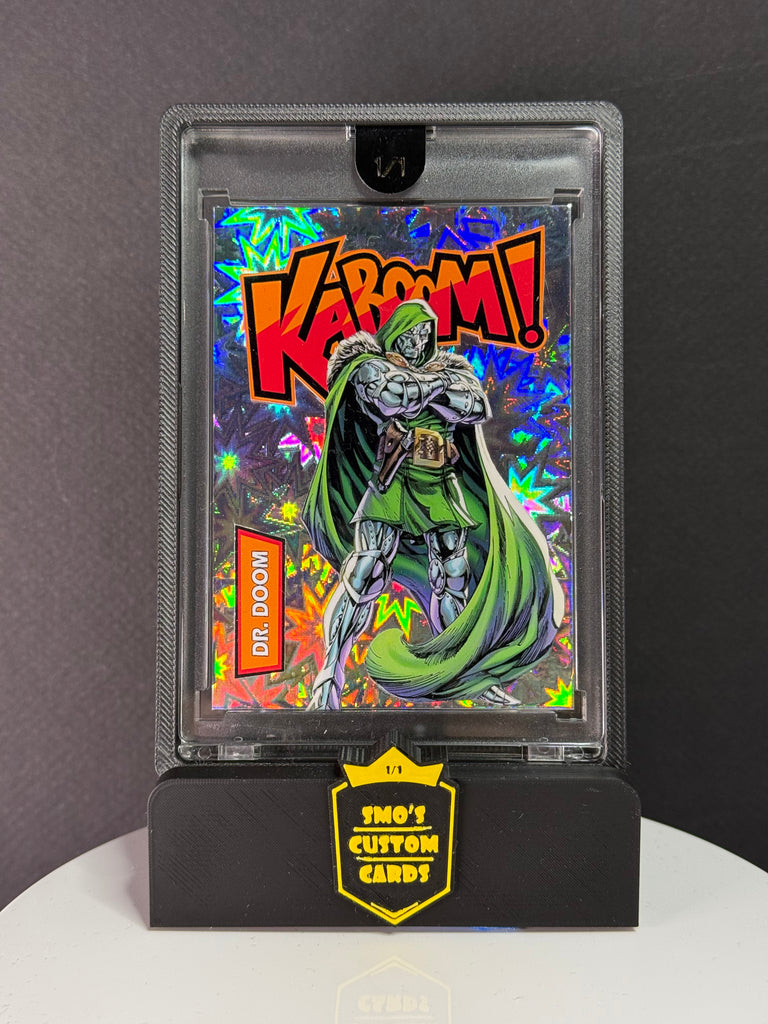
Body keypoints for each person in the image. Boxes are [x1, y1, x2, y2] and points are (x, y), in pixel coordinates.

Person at [303, 299, 563, 710]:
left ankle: (461, 675)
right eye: (411, 333)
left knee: (453, 576)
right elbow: (392, 398)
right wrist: (438, 389)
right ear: (395, 332)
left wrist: (424, 387)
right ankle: (329, 673)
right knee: (365, 571)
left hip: (439, 481)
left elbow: (474, 407)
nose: (418, 341)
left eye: (425, 334)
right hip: (394, 476)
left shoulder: (449, 368)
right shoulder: (367, 364)